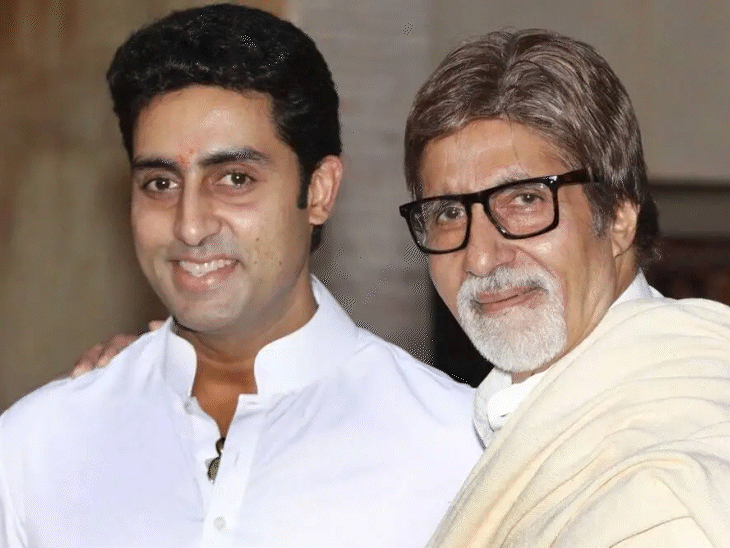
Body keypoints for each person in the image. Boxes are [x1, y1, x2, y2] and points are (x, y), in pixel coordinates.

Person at [0, 5, 482, 547]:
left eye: (234, 178)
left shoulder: (456, 450)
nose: (190, 226)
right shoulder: (39, 447)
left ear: (318, 191)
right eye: (160, 183)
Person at [398, 29, 730, 547]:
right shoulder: (505, 424)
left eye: (526, 200)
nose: (480, 258)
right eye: (448, 213)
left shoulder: (672, 479)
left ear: (618, 218)